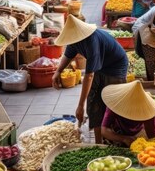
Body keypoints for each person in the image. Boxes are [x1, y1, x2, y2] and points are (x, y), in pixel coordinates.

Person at [52, 15, 128, 144]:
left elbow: (89, 75)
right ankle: (99, 143)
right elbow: (68, 54)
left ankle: (117, 139)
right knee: (94, 104)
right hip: (101, 66)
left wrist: (80, 106)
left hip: (115, 68)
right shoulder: (74, 39)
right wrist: (58, 71)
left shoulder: (92, 41)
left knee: (111, 104)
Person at [101, 81, 155, 146]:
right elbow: (104, 130)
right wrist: (124, 138)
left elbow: (152, 136)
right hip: (117, 133)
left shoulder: (147, 109)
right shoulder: (115, 104)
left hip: (138, 133)